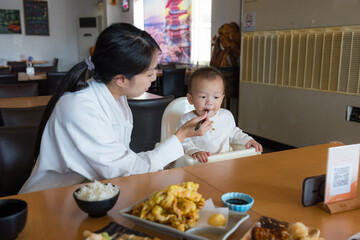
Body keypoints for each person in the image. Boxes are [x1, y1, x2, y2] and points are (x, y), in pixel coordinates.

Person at [19, 23, 211, 194]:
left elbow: (123, 163)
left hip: (92, 194)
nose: (154, 78)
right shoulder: (79, 108)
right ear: (120, 79)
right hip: (49, 200)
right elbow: (127, 170)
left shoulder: (117, 99)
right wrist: (181, 136)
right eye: (150, 72)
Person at [177, 67, 263, 163]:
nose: (209, 102)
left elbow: (235, 133)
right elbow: (182, 141)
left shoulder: (226, 116)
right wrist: (195, 151)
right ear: (190, 99)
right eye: (203, 97)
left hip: (225, 163)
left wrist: (248, 140)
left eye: (216, 97)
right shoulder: (187, 120)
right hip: (199, 165)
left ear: (222, 98)